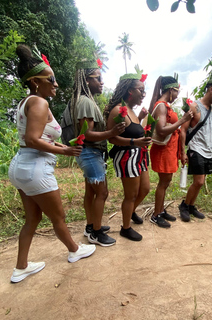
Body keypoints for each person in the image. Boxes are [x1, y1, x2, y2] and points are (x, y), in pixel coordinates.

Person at [8, 44, 96, 283]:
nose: (56, 84)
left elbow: (36, 139)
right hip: (35, 169)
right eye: (51, 79)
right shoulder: (39, 103)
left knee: (32, 219)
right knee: (58, 217)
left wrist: (64, 149)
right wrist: (66, 149)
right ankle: (75, 251)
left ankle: (21, 267)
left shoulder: (26, 102)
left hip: (21, 167)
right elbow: (33, 139)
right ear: (36, 81)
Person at [70, 58, 125, 246]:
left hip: (87, 153)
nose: (101, 82)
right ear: (86, 81)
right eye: (97, 78)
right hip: (90, 153)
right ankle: (96, 233)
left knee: (91, 193)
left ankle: (91, 225)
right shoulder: (85, 102)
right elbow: (86, 134)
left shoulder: (85, 100)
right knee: (102, 193)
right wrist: (111, 132)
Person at [104, 68, 151, 241]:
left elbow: (133, 130)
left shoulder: (131, 110)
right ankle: (125, 228)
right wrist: (134, 142)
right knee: (130, 195)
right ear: (130, 91)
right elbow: (112, 138)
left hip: (139, 155)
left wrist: (141, 117)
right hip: (126, 157)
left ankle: (130, 212)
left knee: (145, 189)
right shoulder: (118, 110)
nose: (143, 93)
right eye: (141, 89)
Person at [178, 71, 212, 222]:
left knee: (200, 183)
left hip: (208, 151)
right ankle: (184, 205)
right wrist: (182, 153)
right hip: (196, 149)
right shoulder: (194, 107)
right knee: (198, 181)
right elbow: (183, 130)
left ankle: (192, 206)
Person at [148, 76, 193, 228]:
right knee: (163, 183)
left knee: (166, 182)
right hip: (163, 150)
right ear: (171, 90)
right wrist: (182, 120)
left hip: (169, 149)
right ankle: (156, 215)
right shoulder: (161, 106)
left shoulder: (165, 106)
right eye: (177, 92)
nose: (177, 95)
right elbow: (160, 130)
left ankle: (160, 210)